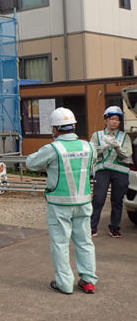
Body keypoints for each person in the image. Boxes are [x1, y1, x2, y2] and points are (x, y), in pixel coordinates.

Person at [26, 107, 97, 295]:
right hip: (83, 203)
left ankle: (65, 284)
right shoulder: (87, 146)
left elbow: (31, 163)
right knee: (85, 242)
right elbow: (92, 163)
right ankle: (89, 281)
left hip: (60, 205)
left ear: (55, 129)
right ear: (73, 126)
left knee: (60, 243)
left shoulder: (53, 148)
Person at [90, 105, 132, 238]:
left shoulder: (124, 137)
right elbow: (92, 152)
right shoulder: (97, 135)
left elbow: (127, 154)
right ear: (105, 120)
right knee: (98, 198)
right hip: (103, 170)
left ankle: (115, 227)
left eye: (117, 119)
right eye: (112, 118)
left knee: (117, 200)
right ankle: (92, 227)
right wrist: (104, 146)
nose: (114, 122)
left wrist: (117, 147)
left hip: (120, 171)